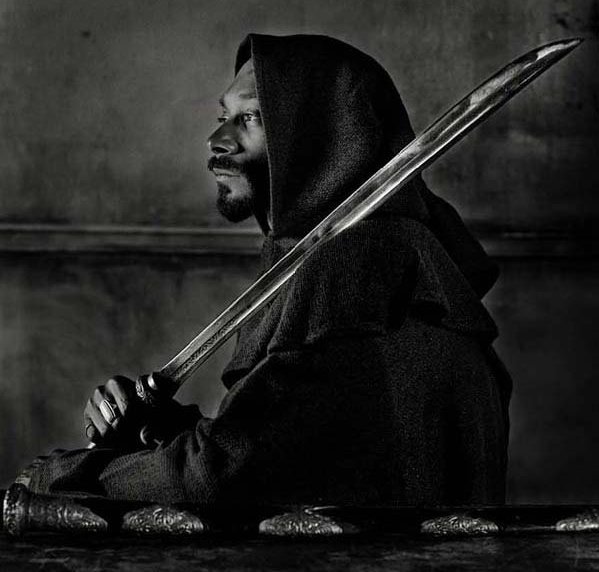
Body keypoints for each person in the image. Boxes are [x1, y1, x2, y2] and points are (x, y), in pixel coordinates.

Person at [28, 34, 511, 506]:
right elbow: (297, 450)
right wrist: (154, 429)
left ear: (321, 137)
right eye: (224, 117)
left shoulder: (360, 263)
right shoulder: (395, 261)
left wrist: (70, 474)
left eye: (252, 118)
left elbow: (219, 475)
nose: (217, 141)